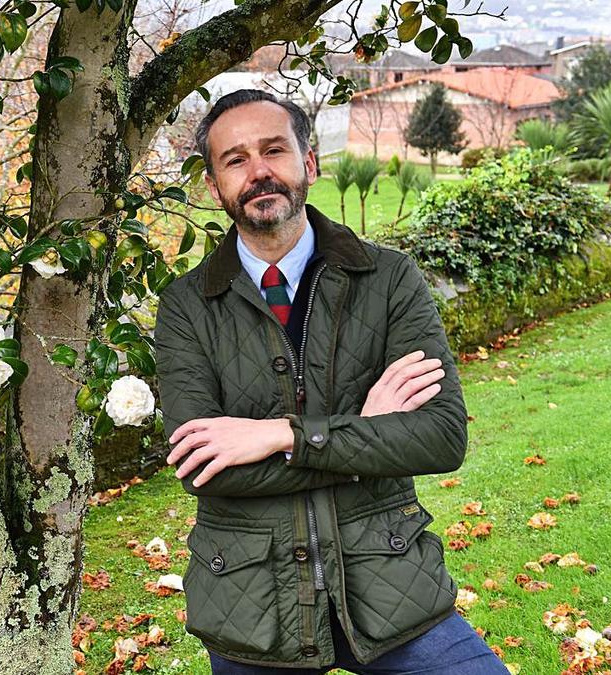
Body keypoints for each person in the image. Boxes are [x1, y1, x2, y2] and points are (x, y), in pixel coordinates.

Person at [153, 89, 507, 674]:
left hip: (391, 583)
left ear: (309, 163)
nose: (259, 171)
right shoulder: (188, 306)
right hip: (252, 606)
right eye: (235, 160)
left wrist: (281, 437)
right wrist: (368, 432)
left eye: (274, 149)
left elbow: (442, 437)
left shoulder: (388, 278)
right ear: (215, 187)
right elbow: (204, 467)